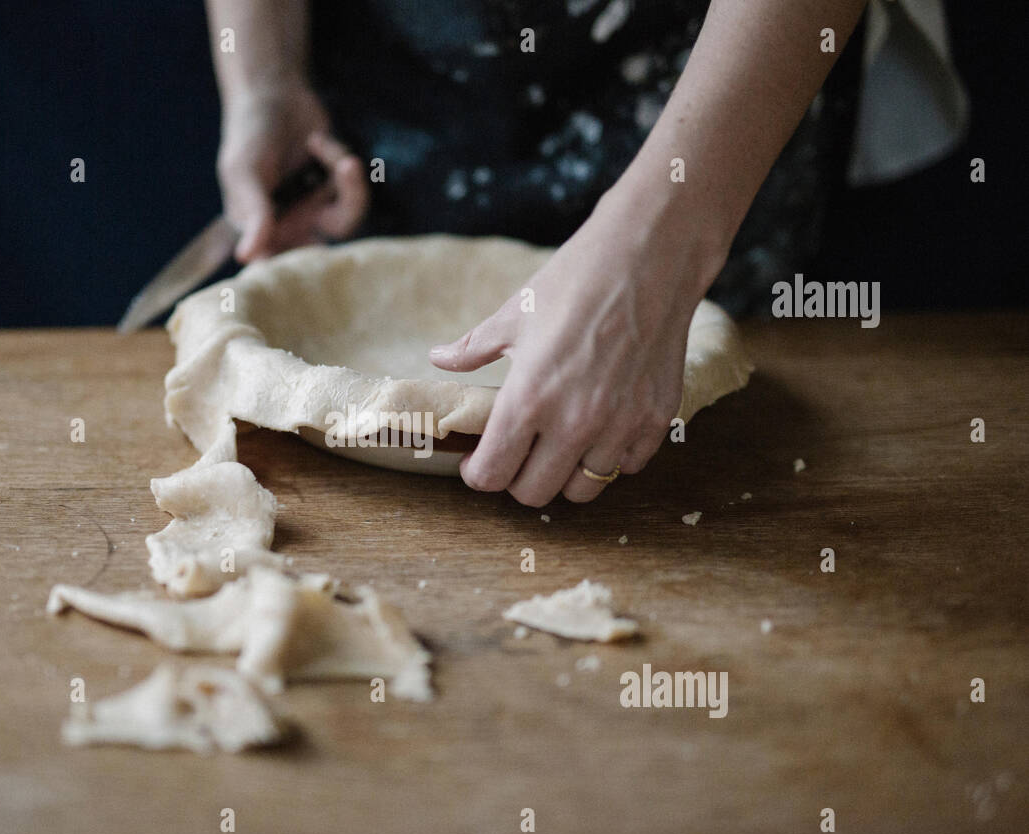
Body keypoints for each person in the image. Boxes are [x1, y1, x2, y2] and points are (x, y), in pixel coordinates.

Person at [203, 0, 959, 507]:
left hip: (713, 83)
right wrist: (264, 78)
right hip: (397, 89)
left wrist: (662, 247)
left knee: (719, 451)